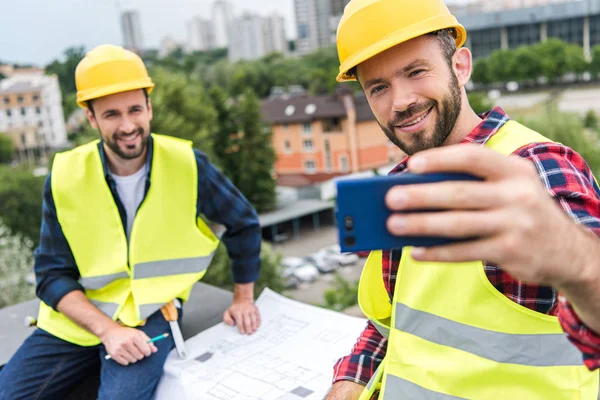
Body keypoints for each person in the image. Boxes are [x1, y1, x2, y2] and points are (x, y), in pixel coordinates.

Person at [327, 1, 600, 399]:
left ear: (460, 66)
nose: (400, 101)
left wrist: (577, 262)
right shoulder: (403, 186)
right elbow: (394, 324)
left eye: (416, 71)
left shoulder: (534, 168)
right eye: (379, 87)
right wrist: (349, 379)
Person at [0, 44, 262, 400]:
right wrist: (107, 330)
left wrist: (243, 298)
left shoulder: (186, 163)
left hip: (152, 313)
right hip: (77, 322)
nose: (127, 126)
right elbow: (50, 276)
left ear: (149, 108)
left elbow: (243, 222)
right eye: (111, 115)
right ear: (90, 118)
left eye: (135, 110)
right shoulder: (66, 176)